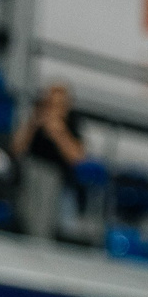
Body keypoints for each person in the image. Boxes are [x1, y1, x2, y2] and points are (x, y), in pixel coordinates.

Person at [11, 82, 87, 242]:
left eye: (58, 105)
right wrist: (33, 124)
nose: (53, 109)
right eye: (50, 104)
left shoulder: (72, 124)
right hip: (30, 176)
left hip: (58, 181)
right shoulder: (35, 119)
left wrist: (58, 133)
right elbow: (16, 149)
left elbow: (77, 158)